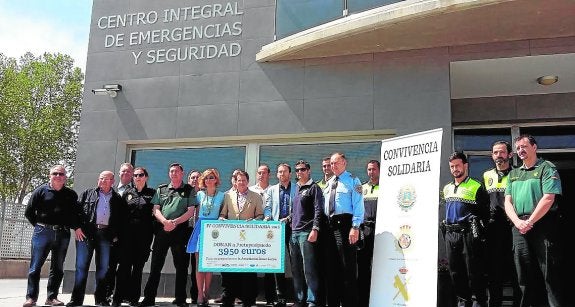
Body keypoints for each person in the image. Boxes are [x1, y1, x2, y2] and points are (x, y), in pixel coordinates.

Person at [504, 135, 566, 306]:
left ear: (534, 147)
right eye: (518, 148)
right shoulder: (514, 174)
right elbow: (507, 201)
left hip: (542, 225)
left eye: (524, 146)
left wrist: (529, 221)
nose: (520, 151)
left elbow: (548, 198)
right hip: (519, 227)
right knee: (523, 275)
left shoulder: (547, 168)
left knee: (549, 274)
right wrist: (517, 222)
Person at [139, 163, 197, 307]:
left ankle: (181, 299)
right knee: (156, 265)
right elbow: (156, 209)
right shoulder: (161, 189)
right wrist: (165, 222)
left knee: (182, 267)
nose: (174, 173)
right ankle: (149, 298)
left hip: (181, 231)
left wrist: (174, 223)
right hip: (162, 231)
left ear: (182, 174)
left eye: (177, 171)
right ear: (169, 174)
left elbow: (190, 211)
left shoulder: (189, 190)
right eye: (171, 171)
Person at [67, 171, 125, 307]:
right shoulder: (88, 193)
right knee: (81, 267)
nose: (102, 181)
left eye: (106, 179)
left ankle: (100, 299)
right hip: (86, 233)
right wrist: (77, 228)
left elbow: (121, 220)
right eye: (100, 178)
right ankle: (76, 300)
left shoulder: (117, 199)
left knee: (103, 268)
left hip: (105, 235)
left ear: (112, 181)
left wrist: (116, 235)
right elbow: (75, 212)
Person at [23, 165, 78, 307]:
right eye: (55, 173)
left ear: (66, 177)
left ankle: (52, 297)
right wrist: (40, 226)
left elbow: (74, 215)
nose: (58, 176)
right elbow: (29, 212)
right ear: (50, 176)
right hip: (42, 233)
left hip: (62, 233)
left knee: (58, 267)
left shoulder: (71, 195)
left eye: (61, 174)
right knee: (35, 267)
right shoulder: (41, 191)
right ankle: (31, 298)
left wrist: (75, 227)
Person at [442, 152, 489, 307]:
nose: (455, 169)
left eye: (458, 165)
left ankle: (479, 303)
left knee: (473, 273)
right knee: (455, 273)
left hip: (468, 233)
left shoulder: (476, 186)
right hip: (450, 234)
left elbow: (485, 214)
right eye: (452, 166)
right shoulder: (447, 188)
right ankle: (463, 303)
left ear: (465, 165)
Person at [322, 152, 364, 307]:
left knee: (347, 268)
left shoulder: (353, 180)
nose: (333, 166)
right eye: (331, 163)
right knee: (331, 269)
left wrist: (355, 227)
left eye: (336, 163)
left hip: (345, 225)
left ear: (344, 163)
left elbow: (359, 205)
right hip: (329, 227)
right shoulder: (329, 182)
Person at [482, 142, 520, 307]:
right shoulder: (486, 175)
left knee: (516, 271)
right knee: (493, 272)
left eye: (502, 152)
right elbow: (482, 202)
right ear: (492, 156)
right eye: (495, 152)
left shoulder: (518, 174)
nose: (498, 155)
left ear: (510, 155)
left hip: (513, 228)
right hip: (493, 230)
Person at [218, 170, 264, 307]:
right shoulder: (227, 196)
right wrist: (222, 220)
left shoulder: (256, 196)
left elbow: (260, 216)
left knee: (248, 271)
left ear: (247, 182)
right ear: (235, 182)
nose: (241, 182)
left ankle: (248, 299)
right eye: (239, 180)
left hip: (249, 240)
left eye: (244, 180)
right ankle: (229, 298)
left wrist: (254, 222)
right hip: (231, 240)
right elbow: (222, 215)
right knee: (230, 270)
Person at [111, 167, 155, 307]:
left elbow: (155, 215)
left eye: (141, 175)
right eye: (135, 175)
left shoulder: (152, 193)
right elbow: (120, 215)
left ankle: (133, 299)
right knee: (123, 268)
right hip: (126, 237)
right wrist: (116, 234)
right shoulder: (127, 193)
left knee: (137, 269)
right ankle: (117, 298)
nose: (138, 177)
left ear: (146, 177)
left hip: (143, 237)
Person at [186, 169, 225, 307]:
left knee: (209, 263)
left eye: (212, 177)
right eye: (206, 177)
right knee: (199, 264)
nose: (209, 179)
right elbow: (192, 211)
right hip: (200, 228)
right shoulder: (199, 194)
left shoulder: (222, 196)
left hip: (214, 229)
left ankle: (207, 291)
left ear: (216, 179)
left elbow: (223, 213)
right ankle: (200, 295)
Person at [290, 160, 324, 307]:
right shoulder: (296, 189)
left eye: (302, 169)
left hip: (306, 233)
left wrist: (315, 229)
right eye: (297, 170)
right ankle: (299, 299)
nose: (299, 172)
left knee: (308, 269)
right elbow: (295, 212)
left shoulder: (314, 188)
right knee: (296, 270)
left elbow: (318, 210)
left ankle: (312, 301)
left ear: (309, 171)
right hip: (294, 233)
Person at [264, 163, 297, 307]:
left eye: (284, 172)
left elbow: (299, 208)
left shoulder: (297, 188)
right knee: (277, 264)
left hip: (293, 227)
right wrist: (267, 217)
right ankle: (281, 297)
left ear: (290, 174)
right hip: (276, 228)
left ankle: (299, 296)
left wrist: (289, 218)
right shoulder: (271, 190)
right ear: (276, 175)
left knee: (295, 262)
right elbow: (267, 207)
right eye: (279, 172)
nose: (282, 174)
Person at [105, 162, 134, 304]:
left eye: (129, 172)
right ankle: (108, 293)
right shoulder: (111, 190)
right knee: (110, 266)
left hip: (127, 236)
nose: (125, 174)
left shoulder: (135, 191)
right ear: (119, 173)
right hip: (111, 235)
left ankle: (123, 294)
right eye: (123, 171)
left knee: (125, 266)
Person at [249, 164, 273, 305]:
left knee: (270, 263)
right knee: (251, 262)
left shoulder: (274, 189)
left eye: (264, 173)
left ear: (269, 174)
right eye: (259, 173)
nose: (261, 175)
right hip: (253, 229)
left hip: (270, 231)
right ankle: (250, 296)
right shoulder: (251, 189)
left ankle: (270, 297)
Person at [358, 159, 380, 307]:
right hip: (364, 231)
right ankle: (363, 300)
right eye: (369, 169)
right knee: (363, 267)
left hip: (380, 230)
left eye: (374, 169)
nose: (371, 172)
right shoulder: (361, 188)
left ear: (379, 170)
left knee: (380, 266)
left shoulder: (387, 187)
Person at [186, 169, 201, 304]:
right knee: (183, 264)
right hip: (185, 231)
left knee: (196, 264)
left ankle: (195, 295)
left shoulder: (204, 195)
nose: (195, 179)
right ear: (188, 180)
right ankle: (181, 296)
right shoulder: (185, 194)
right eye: (192, 177)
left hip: (199, 233)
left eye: (197, 177)